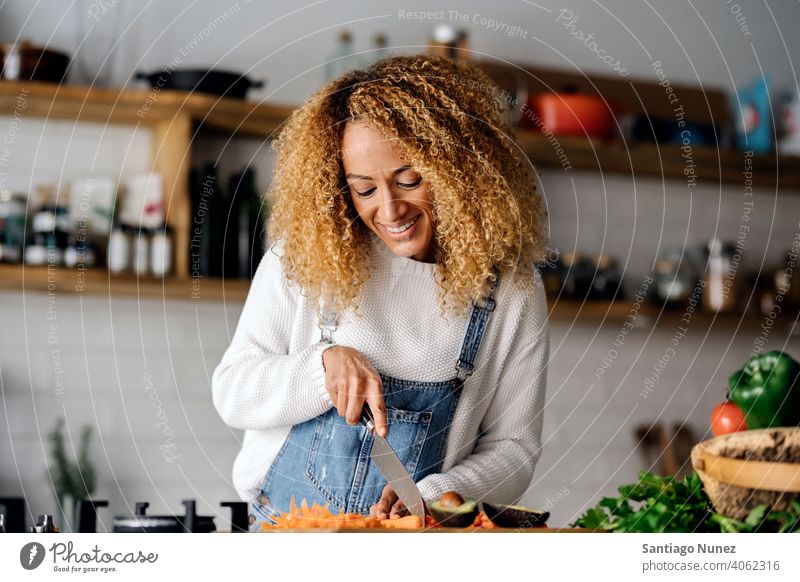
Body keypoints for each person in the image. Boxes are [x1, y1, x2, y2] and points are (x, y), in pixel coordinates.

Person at [212, 54, 549, 530]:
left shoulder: (511, 290)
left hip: (412, 546)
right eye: (364, 189)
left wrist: (433, 495)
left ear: (458, 167)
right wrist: (321, 366)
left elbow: (514, 449)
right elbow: (232, 392)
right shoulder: (305, 257)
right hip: (280, 534)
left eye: (409, 180)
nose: (389, 209)